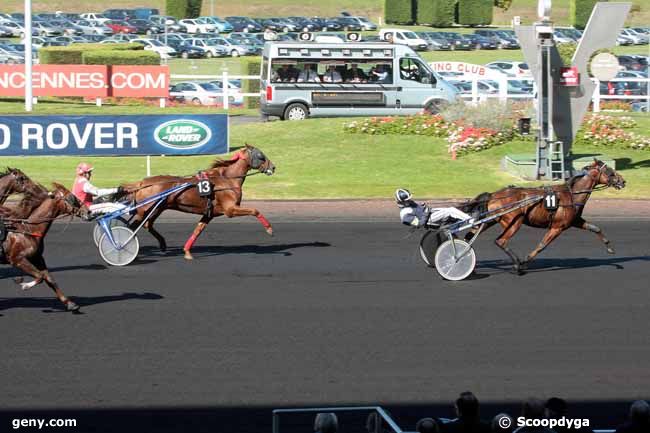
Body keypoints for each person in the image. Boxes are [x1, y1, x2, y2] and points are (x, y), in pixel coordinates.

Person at [395, 188, 471, 228]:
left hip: (430, 213)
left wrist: (422, 206)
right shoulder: (405, 215)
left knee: (449, 208)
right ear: (402, 201)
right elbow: (420, 224)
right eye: (408, 200)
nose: (410, 200)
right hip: (429, 220)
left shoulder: (408, 204)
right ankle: (470, 220)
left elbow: (418, 210)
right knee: (450, 211)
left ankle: (460, 220)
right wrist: (426, 212)